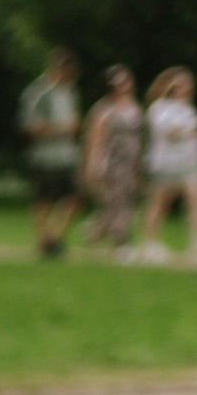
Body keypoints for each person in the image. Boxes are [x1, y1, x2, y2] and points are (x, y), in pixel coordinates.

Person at [137, 67, 197, 263]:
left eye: (187, 84)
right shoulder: (159, 107)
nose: (185, 88)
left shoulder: (187, 109)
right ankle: (150, 244)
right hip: (165, 164)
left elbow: (193, 138)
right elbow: (171, 133)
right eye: (180, 84)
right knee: (160, 203)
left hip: (188, 163)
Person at [17, 49, 83, 257]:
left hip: (67, 155)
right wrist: (61, 128)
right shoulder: (38, 93)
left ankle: (55, 238)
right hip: (44, 157)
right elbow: (29, 128)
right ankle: (43, 240)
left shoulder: (70, 92)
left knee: (75, 199)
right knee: (44, 200)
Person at [81, 64, 145, 257]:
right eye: (118, 83)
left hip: (130, 164)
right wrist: (92, 166)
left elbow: (139, 138)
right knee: (117, 204)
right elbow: (94, 141)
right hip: (110, 164)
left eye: (126, 81)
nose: (124, 86)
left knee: (126, 202)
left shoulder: (134, 108)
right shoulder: (103, 109)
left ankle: (95, 230)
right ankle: (121, 244)